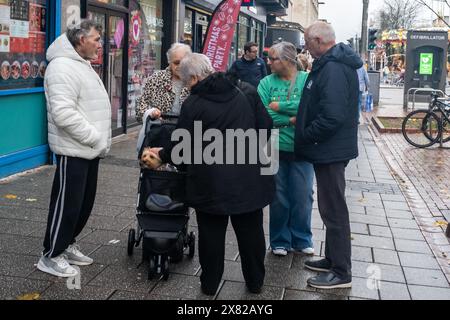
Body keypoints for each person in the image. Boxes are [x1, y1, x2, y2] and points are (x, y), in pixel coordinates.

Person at [146, 53, 275, 296]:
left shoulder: (194, 104)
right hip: (249, 178)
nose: (186, 86)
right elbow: (266, 127)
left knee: (211, 237)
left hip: (209, 181)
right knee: (251, 234)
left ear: (194, 78)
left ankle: (209, 285)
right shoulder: (246, 90)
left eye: (186, 82)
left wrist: (162, 155)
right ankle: (256, 282)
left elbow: (182, 148)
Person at [38, 20, 112, 277]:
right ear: (81, 40)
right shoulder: (61, 66)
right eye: (96, 39)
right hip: (75, 149)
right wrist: (95, 137)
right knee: (67, 205)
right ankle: (50, 255)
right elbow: (63, 114)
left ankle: (67, 244)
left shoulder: (81, 63)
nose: (100, 45)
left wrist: (97, 142)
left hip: (89, 149)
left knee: (82, 204)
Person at [295, 21, 362, 289]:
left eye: (307, 42)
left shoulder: (333, 67)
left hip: (330, 150)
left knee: (333, 210)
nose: (305, 47)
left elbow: (332, 116)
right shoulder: (330, 63)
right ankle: (333, 259)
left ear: (319, 41)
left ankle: (341, 272)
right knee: (329, 208)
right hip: (329, 149)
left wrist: (307, 133)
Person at [257, 42, 314, 257]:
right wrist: (291, 120)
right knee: (278, 196)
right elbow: (262, 113)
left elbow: (310, 107)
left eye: (273, 59)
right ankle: (279, 239)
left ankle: (302, 238)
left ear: (288, 60)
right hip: (272, 145)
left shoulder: (307, 80)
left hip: (302, 146)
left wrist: (280, 107)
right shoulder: (265, 83)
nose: (269, 62)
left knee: (303, 195)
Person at [135, 43, 192, 123]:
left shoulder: (194, 80)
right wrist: (152, 113)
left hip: (187, 132)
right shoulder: (156, 79)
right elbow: (141, 106)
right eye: (176, 63)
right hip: (159, 130)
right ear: (169, 62)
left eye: (183, 63)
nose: (180, 66)